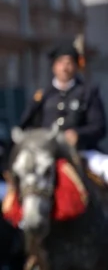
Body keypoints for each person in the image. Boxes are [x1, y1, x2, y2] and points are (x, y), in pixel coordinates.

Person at [19, 41, 108, 182]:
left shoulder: (88, 93)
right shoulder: (43, 96)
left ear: (76, 66)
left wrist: (78, 135)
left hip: (81, 152)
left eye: (69, 63)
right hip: (46, 154)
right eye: (60, 62)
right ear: (54, 66)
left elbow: (99, 127)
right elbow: (26, 126)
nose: (65, 68)